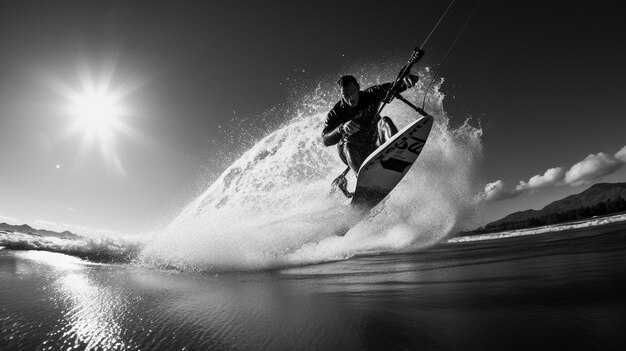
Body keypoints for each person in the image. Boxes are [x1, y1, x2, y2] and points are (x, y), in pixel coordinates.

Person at [322, 74, 419, 196]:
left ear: (358, 87)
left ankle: (395, 156)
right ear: (341, 95)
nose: (351, 98)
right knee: (348, 146)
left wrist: (406, 81)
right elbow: (325, 139)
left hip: (375, 143)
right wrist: (341, 128)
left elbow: (394, 87)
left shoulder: (371, 94)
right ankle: (365, 184)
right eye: (346, 95)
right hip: (355, 153)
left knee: (385, 121)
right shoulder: (336, 112)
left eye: (353, 92)